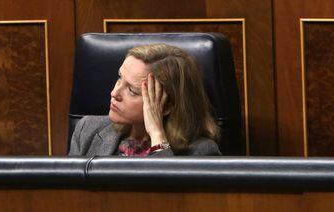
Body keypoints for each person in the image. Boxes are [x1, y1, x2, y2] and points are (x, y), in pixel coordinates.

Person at [68, 43, 221, 156]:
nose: (114, 93)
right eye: (119, 78)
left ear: (166, 106)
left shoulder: (202, 151)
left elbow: (170, 197)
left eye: (131, 90)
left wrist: (156, 133)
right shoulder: (86, 130)